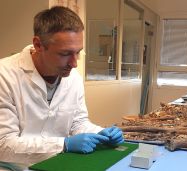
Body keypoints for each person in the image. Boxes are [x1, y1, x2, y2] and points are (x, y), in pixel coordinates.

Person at [0, 6, 124, 169]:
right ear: (38, 45)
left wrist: (99, 133)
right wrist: (63, 144)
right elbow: (3, 145)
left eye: (78, 52)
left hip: (58, 163)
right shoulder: (5, 76)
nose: (74, 63)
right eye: (65, 54)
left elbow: (77, 123)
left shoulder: (73, 78)